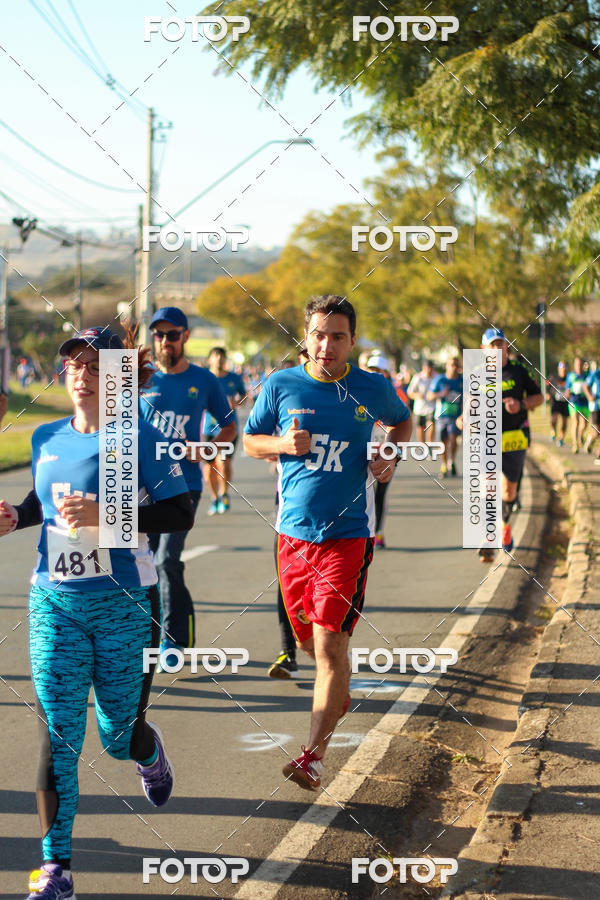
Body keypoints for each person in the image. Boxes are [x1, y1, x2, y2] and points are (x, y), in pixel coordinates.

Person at [0, 325, 194, 900]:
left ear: (120, 376)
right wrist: (15, 516)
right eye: (75, 364)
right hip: (54, 601)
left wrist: (108, 518)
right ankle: (55, 870)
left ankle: (147, 750)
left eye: (95, 365)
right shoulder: (46, 436)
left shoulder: (145, 437)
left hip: (127, 604)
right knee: (59, 735)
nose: (82, 374)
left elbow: (180, 512)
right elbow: (46, 501)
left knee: (114, 736)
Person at [244, 295, 411, 789]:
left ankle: (312, 757)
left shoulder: (372, 388)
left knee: (330, 643)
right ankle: (336, 693)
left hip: (348, 537)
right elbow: (251, 439)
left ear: (352, 341)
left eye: (338, 336)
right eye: (319, 334)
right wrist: (280, 445)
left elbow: (401, 421)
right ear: (306, 337)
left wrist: (388, 455)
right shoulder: (281, 384)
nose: (327, 345)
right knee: (306, 642)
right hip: (292, 537)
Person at [138, 307, 235, 663]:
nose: (165, 342)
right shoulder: (141, 381)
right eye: (159, 335)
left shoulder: (204, 381)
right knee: (143, 561)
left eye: (172, 335)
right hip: (144, 487)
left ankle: (173, 638)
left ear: (186, 337)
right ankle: (148, 635)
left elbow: (229, 428)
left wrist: (208, 446)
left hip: (185, 485)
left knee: (165, 559)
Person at [478, 328, 543, 563]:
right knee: (488, 487)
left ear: (507, 348)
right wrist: (465, 418)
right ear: (484, 350)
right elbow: (468, 404)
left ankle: (504, 526)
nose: (497, 349)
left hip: (515, 437)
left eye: (501, 345)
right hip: (487, 439)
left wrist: (521, 403)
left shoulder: (519, 370)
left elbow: (539, 397)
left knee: (509, 491)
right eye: (492, 345)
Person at [202, 346, 247, 515]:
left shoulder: (233, 378)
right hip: (208, 428)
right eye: (216, 356)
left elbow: (244, 395)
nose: (219, 359)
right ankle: (214, 498)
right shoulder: (204, 378)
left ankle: (224, 494)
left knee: (223, 462)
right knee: (209, 468)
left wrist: (236, 402)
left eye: (222, 356)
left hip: (228, 428)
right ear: (210, 359)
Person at [364, 353, 396, 549]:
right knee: (363, 491)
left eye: (378, 370)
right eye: (371, 369)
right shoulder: (360, 391)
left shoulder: (393, 394)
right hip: (364, 448)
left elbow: (401, 422)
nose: (374, 373)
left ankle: (378, 532)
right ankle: (365, 532)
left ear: (386, 373)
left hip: (386, 448)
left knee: (380, 493)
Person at [428, 356, 462, 476]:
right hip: (441, 416)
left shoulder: (462, 381)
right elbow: (429, 396)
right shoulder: (440, 380)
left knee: (453, 439)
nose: (454, 367)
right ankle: (443, 464)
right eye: (451, 365)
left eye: (456, 365)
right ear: (446, 366)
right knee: (443, 442)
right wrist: (442, 394)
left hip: (456, 416)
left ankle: (451, 461)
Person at [408, 359, 437, 442]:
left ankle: (429, 446)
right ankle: (422, 447)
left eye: (430, 368)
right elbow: (409, 393)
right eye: (427, 368)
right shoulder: (418, 378)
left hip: (432, 407)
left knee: (430, 426)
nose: (429, 370)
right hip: (419, 408)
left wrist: (435, 395)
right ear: (423, 368)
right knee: (420, 429)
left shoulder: (436, 377)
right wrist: (417, 395)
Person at [565, 356, 589, 453]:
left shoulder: (587, 375)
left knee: (584, 425)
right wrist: (568, 392)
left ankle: (580, 435)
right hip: (574, 401)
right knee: (575, 422)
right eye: (576, 364)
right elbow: (567, 389)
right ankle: (575, 445)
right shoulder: (571, 376)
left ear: (583, 365)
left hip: (585, 402)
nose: (578, 366)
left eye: (580, 364)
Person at [548, 361, 569, 446]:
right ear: (559, 368)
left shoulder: (569, 378)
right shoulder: (553, 377)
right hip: (555, 401)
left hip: (565, 402)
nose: (563, 370)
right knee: (554, 419)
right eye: (562, 368)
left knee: (564, 422)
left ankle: (561, 438)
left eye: (565, 368)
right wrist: (547, 394)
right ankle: (553, 431)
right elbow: (547, 386)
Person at [584, 363, 600, 461]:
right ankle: (590, 440)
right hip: (595, 407)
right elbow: (586, 386)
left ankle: (598, 455)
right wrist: (590, 397)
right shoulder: (596, 374)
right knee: (597, 431)